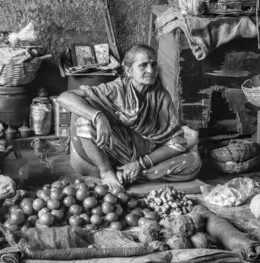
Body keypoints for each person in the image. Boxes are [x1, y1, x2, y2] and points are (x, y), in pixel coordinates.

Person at [57, 44, 202, 188]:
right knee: (84, 114)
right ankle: (107, 172)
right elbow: (64, 98)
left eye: (153, 65)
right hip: (117, 148)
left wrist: (140, 163)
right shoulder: (116, 89)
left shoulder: (161, 97)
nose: (151, 71)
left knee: (193, 163)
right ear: (129, 70)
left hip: (145, 153)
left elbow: (176, 143)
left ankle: (128, 173)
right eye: (143, 65)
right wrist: (98, 116)